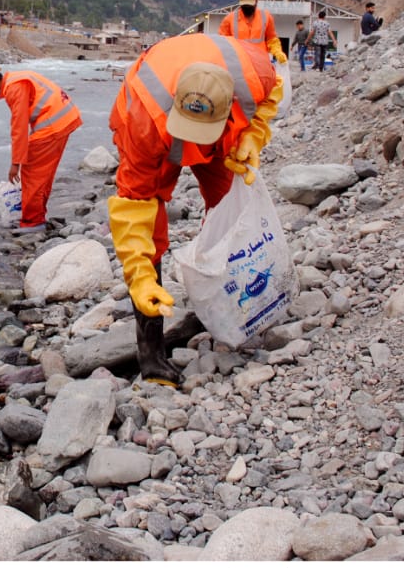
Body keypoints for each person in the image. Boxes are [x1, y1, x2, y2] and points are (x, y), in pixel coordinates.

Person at [108, 34, 281, 386]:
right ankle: (152, 355)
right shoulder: (142, 121)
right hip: (157, 129)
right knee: (149, 233)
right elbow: (133, 205)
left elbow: (269, 98)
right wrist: (140, 277)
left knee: (229, 207)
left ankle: (232, 305)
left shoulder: (254, 73)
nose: (194, 143)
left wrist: (252, 137)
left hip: (225, 136)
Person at [0, 67, 82, 233]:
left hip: (53, 125)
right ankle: (38, 215)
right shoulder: (17, 78)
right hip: (64, 118)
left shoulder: (14, 88)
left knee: (32, 172)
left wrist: (15, 164)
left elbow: (18, 128)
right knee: (43, 173)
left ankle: (33, 222)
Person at [217, 0, 288, 65]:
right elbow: (222, 42)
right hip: (239, 63)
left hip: (260, 62)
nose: (247, 8)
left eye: (249, 6)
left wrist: (277, 51)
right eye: (244, 6)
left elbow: (272, 39)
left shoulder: (266, 17)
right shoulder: (229, 19)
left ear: (256, 2)